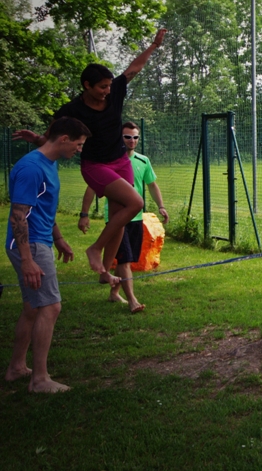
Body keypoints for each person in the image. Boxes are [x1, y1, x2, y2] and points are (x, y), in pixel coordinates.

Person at [15, 28, 166, 287]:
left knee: (120, 219)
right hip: (95, 165)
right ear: (87, 85)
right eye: (102, 87)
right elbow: (52, 138)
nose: (107, 90)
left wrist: (153, 46)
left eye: (109, 85)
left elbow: (133, 68)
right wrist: (36, 140)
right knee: (135, 203)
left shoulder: (115, 91)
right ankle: (95, 249)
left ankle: (106, 271)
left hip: (120, 161)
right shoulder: (71, 110)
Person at [5, 117, 92, 394]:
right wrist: (28, 258)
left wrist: (60, 239)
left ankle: (17, 368)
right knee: (50, 307)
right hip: (31, 245)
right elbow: (19, 216)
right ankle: (40, 379)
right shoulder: (32, 168)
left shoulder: (47, 161)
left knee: (33, 308)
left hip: (41, 240)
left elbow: (41, 209)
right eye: (77, 145)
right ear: (64, 139)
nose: (78, 151)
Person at [79, 121, 168, 313]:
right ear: (119, 138)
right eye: (127, 137)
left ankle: (113, 293)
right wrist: (84, 214)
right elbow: (92, 187)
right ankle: (133, 301)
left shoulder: (143, 161)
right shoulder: (109, 162)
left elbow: (152, 185)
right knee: (126, 259)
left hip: (136, 217)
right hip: (117, 218)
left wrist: (161, 206)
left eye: (135, 137)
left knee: (126, 258)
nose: (132, 140)